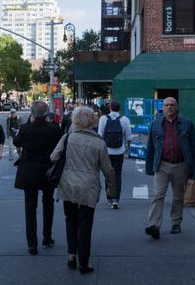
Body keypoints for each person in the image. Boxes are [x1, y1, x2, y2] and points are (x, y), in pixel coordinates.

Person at [51, 106, 115, 274]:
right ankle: (83, 263)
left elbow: (53, 157)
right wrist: (112, 189)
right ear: (92, 121)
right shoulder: (99, 143)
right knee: (85, 225)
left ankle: (71, 255)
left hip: (68, 184)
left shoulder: (67, 138)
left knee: (70, 220)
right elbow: (108, 169)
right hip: (89, 186)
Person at [145, 97, 195, 239]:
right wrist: (149, 167)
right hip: (162, 165)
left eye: (172, 105)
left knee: (178, 196)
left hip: (181, 165)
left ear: (177, 107)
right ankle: (154, 225)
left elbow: (194, 148)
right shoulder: (156, 124)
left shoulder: (187, 124)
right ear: (162, 108)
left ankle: (176, 222)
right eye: (166, 105)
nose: (169, 107)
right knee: (158, 195)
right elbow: (151, 147)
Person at [13, 101, 63, 255]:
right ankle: (47, 237)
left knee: (30, 207)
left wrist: (29, 122)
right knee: (48, 204)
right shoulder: (54, 129)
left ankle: (31, 244)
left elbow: (16, 142)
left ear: (32, 114)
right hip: (48, 170)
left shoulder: (25, 128)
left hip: (29, 171)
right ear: (47, 113)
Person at [96, 100, 132, 209]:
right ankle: (116, 199)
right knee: (117, 175)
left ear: (110, 108)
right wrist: (127, 149)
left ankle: (109, 198)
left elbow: (100, 135)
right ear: (119, 109)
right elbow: (128, 137)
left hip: (106, 152)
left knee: (108, 174)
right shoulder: (125, 119)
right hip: (119, 151)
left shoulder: (103, 119)